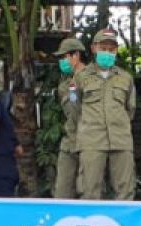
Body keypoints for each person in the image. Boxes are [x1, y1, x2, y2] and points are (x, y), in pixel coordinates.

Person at [73, 28, 137, 200]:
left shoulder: (125, 78)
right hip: (91, 141)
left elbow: (130, 109)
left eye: (111, 49)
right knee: (89, 190)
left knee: (125, 191)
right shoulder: (80, 77)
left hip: (121, 140)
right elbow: (74, 108)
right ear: (94, 48)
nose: (107, 53)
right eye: (103, 48)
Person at [53, 37, 87, 199]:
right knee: (62, 190)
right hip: (70, 140)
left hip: (89, 142)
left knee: (86, 190)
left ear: (76, 55)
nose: (61, 61)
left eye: (64, 57)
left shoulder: (90, 79)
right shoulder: (64, 85)